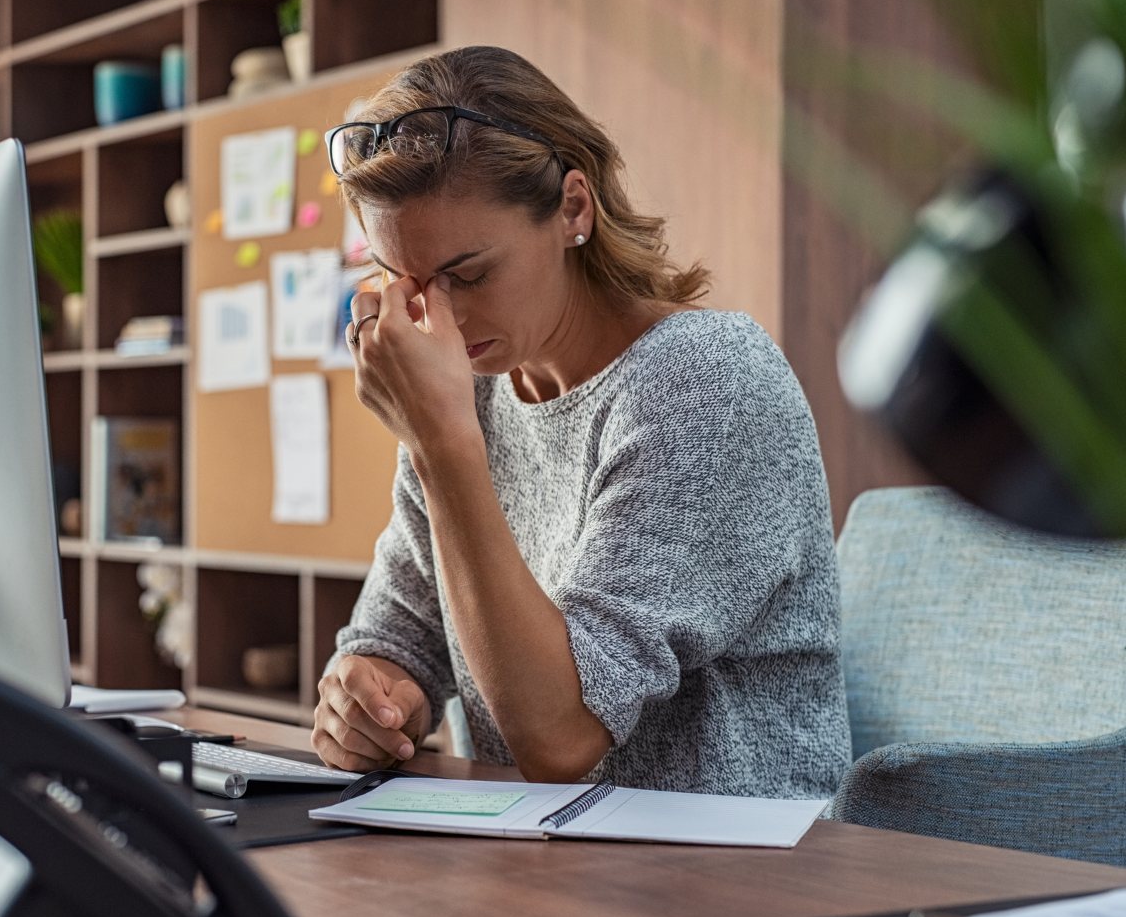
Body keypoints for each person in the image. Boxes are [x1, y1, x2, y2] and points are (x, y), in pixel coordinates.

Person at [312, 45, 851, 797]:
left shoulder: (705, 382)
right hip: (543, 867)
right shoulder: (471, 394)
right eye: (406, 281)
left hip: (734, 879)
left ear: (573, 208)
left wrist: (441, 443)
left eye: (468, 275)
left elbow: (560, 735)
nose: (439, 317)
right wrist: (367, 696)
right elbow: (399, 634)